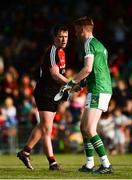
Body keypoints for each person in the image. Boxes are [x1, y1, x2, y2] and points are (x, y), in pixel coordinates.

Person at [62, 17, 113, 174]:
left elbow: (88, 69)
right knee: (84, 127)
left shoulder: (88, 44)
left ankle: (106, 164)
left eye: (76, 30)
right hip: (97, 87)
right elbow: (98, 70)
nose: (75, 33)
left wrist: (70, 84)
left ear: (83, 29)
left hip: (99, 89)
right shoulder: (98, 44)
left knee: (90, 129)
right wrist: (82, 84)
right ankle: (89, 164)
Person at [17, 24, 70, 170]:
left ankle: (25, 152)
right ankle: (52, 163)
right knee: (47, 129)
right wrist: (71, 84)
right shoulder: (53, 51)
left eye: (66, 36)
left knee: (43, 126)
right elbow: (54, 74)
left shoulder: (61, 52)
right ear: (55, 37)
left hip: (52, 93)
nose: (64, 39)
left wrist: (65, 88)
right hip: (45, 92)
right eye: (60, 36)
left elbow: (59, 76)